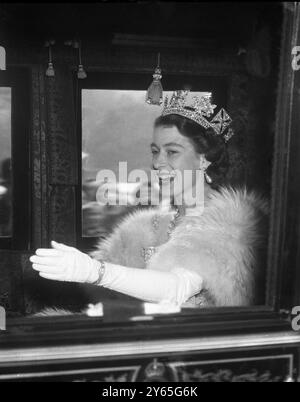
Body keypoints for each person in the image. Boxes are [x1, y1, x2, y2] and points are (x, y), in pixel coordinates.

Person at [30, 91, 268, 309]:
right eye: (155, 151)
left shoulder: (232, 224)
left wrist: (96, 272)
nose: (157, 163)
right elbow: (138, 307)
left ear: (204, 159)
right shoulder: (149, 226)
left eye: (172, 152)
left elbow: (177, 287)